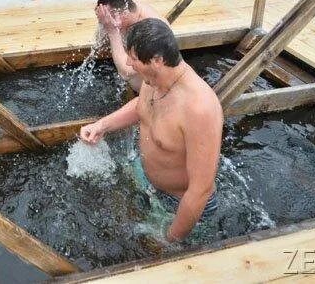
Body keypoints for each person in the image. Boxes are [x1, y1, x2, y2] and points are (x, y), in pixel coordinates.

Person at [79, 18, 223, 242]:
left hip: (180, 206)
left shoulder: (199, 109)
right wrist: (102, 125)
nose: (128, 63)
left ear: (157, 60)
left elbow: (200, 190)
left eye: (134, 58)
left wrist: (170, 239)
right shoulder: (153, 80)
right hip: (149, 181)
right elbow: (142, 106)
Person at [94, 0, 166, 92]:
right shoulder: (129, 12)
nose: (106, 21)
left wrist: (112, 31)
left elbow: (126, 72)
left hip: (158, 91)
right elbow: (99, 44)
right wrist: (104, 23)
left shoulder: (149, 29)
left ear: (120, 13)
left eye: (107, 17)